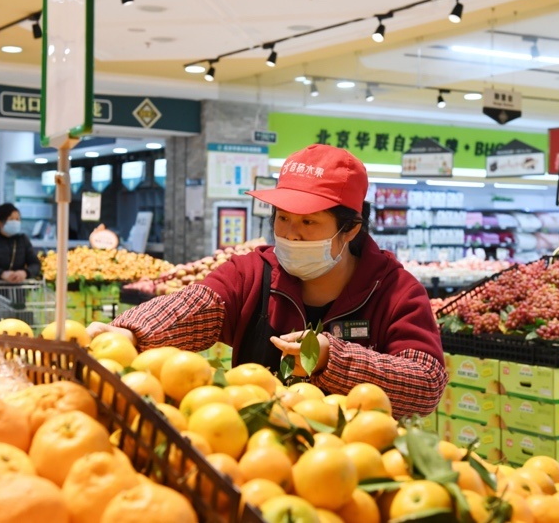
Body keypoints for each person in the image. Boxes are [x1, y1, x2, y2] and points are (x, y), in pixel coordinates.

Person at [87, 144, 447, 418]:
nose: (291, 235)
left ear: (350, 228)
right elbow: (196, 305)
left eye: (308, 223)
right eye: (283, 219)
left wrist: (331, 360)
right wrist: (133, 332)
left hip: (354, 465)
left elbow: (426, 383)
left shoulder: (395, 291)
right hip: (255, 451)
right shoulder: (253, 273)